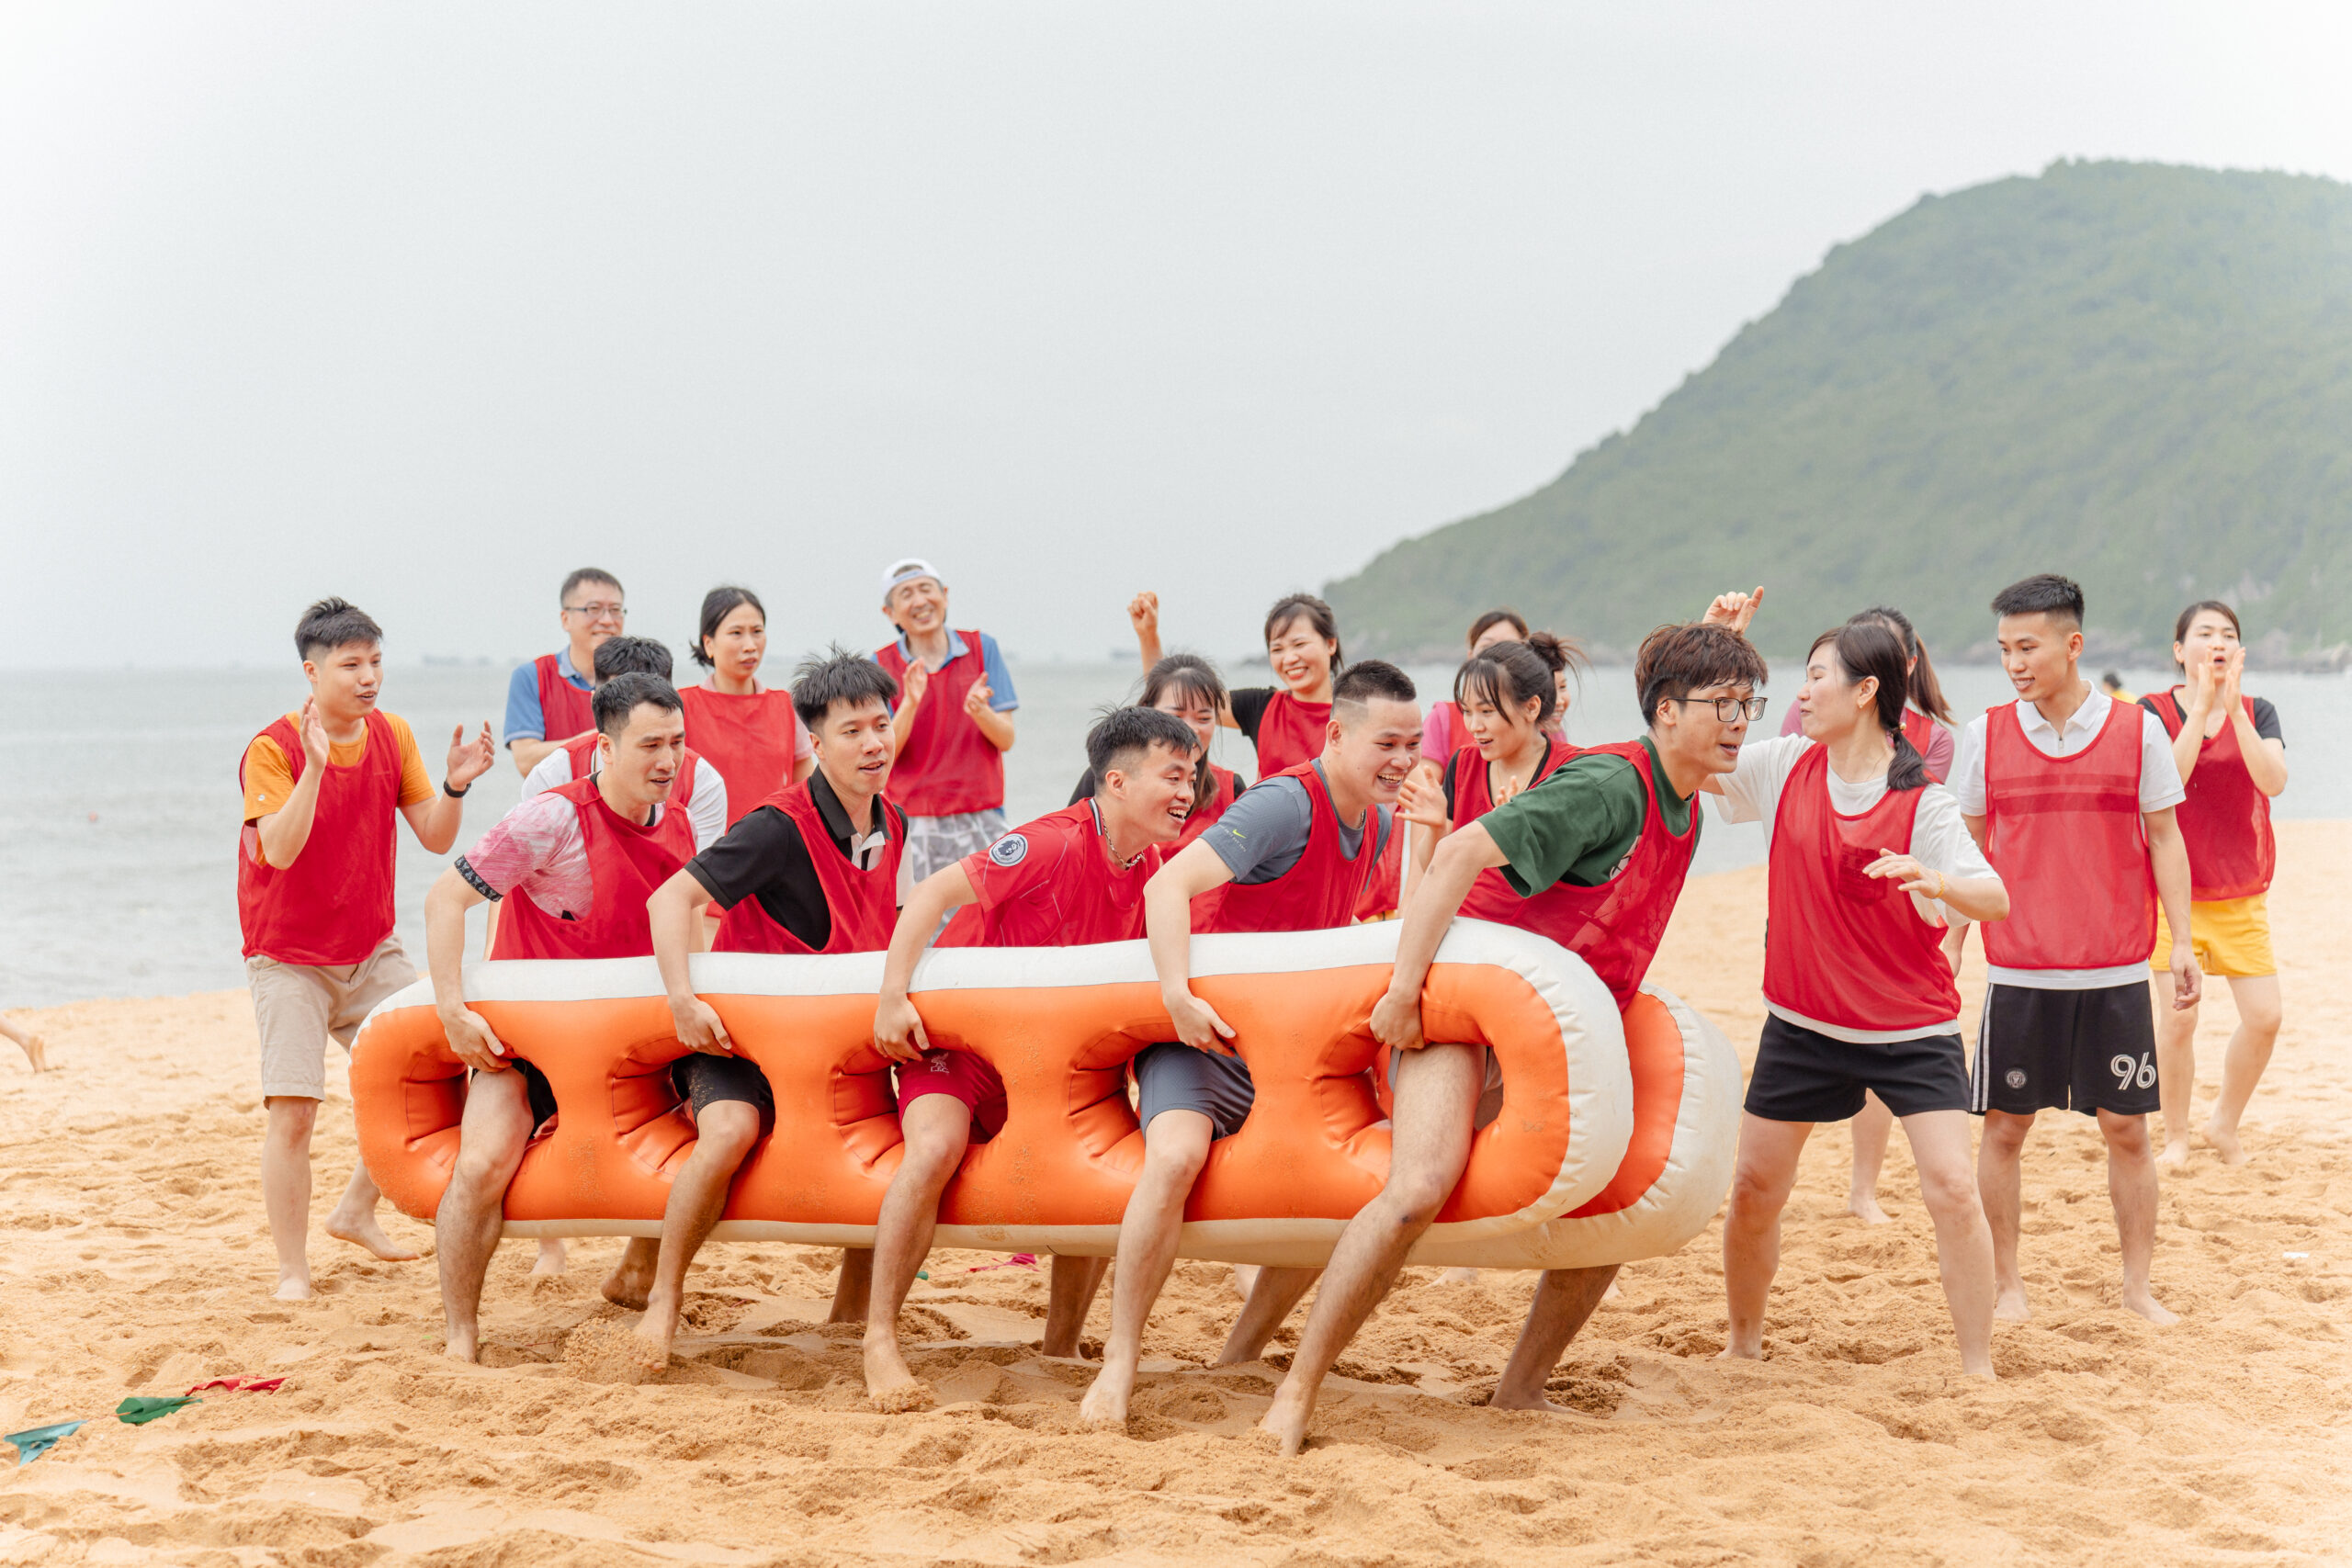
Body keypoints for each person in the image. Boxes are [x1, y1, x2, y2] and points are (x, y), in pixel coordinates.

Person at [1260, 598, 1768, 1455]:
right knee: (1416, 1186)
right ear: (1667, 712)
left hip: (1550, 1024)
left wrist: (1721, 650)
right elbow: (1460, 852)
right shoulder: (1609, 786)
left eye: (1747, 704)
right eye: (1723, 704)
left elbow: (1690, 702)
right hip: (1465, 997)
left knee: (1616, 1196)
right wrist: (1403, 993)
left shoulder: (1684, 794)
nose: (1740, 722)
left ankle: (1520, 1389)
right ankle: (1294, 1392)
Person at [1079, 661, 1419, 1429]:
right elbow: (1165, 887)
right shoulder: (1283, 804)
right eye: (1387, 743)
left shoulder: (1380, 821)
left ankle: (1238, 1354)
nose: (1402, 759)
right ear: (1337, 734)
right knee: (1174, 1158)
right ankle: (1120, 1360)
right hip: (1204, 1041)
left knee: (1338, 1184)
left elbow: (1364, 917)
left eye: (1413, 743)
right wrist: (1177, 995)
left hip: (1286, 1056)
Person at [863, 706, 1201, 1412]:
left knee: (1106, 1163)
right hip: (959, 1047)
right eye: (1172, 775)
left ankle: (1061, 1343)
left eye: (1192, 775)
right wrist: (892, 995)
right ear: (1117, 782)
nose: (1187, 790)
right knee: (934, 1148)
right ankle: (880, 1339)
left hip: (1044, 1068)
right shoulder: (1051, 842)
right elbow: (931, 893)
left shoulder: (1154, 869)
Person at [587, 650, 911, 1371]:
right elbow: (670, 898)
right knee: (729, 1130)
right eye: (852, 731)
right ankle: (664, 1299)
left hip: (835, 1048)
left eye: (881, 725)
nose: (873, 744)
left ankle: (850, 1313)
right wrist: (682, 999)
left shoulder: (894, 820)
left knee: (888, 1144)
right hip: (743, 1046)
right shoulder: (777, 826)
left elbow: (891, 924)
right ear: (815, 744)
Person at [1708, 621, 2007, 1377]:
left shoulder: (1925, 803)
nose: (1803, 693)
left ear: (1867, 690)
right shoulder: (1783, 765)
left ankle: (1978, 1367)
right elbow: (1688, 757)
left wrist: (1937, 881)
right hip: (1802, 1025)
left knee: (1953, 1188)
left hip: (1912, 1030)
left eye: (1817, 676)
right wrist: (1709, 652)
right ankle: (1743, 1342)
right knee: (1753, 1189)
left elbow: (1995, 897)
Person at [423, 673, 695, 1361]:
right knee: (480, 1164)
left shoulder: (683, 823)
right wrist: (453, 1011)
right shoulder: (549, 818)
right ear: (605, 746)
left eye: (677, 743)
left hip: (629, 1052)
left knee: (712, 1134)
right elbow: (445, 899)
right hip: (528, 1047)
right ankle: (461, 1333)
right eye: (650, 745)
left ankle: (639, 1270)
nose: (668, 760)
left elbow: (691, 936)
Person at [1958, 573, 2197, 1327]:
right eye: (2004, 649)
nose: (2014, 663)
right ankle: (2007, 1285)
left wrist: (2183, 942)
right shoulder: (1985, 734)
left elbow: (2165, 837)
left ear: (2073, 645)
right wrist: (1950, 941)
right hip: (2019, 970)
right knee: (2005, 1129)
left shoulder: (2138, 731)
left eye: (2027, 647)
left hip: (2114, 970)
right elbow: (1966, 850)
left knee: (2127, 1130)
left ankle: (2137, 1287)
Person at [239, 598, 495, 1299]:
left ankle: (355, 1207)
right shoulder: (273, 747)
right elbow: (279, 849)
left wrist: (456, 784)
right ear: (312, 672)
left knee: (440, 1070)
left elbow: (436, 836)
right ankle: (293, 1271)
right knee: (295, 1112)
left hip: (372, 950)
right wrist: (315, 769)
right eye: (351, 664)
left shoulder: (394, 733)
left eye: (376, 661)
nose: (368, 677)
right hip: (288, 956)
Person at [515, 634, 725, 1280]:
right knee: (544, 1110)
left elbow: (696, 900)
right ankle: (550, 1243)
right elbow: (516, 887)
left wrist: (689, 989)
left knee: (678, 1106)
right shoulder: (554, 775)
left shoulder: (699, 780)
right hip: (562, 968)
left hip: (650, 966)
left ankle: (640, 1261)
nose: (662, 750)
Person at [1775, 607, 1959, 1224]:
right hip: (1813, 919)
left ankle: (1864, 1188)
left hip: (1887, 923)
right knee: (1770, 1149)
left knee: (1883, 1066)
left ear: (1899, 667)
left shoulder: (1931, 740)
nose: (1806, 690)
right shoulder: (1807, 728)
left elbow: (1921, 836)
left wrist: (1953, 933)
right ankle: (1823, 1187)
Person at [2140, 601, 2287, 1167]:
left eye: (2228, 634)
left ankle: (2223, 1123)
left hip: (2239, 891)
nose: (2218, 642)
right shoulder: (2152, 712)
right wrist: (2201, 709)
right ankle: (2175, 1137)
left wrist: (2234, 712)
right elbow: (2166, 783)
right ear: (2180, 650)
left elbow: (2273, 781)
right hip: (2171, 895)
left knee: (2265, 1018)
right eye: (2205, 633)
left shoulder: (2259, 710)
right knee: (2180, 1020)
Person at [869, 558, 1017, 887]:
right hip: (912, 818)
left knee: (989, 911)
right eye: (906, 594)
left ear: (945, 595)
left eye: (926, 589)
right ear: (890, 613)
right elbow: (882, 753)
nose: (920, 601)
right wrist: (910, 701)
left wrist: (980, 711)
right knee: (919, 914)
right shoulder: (880, 665)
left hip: (982, 812)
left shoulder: (982, 648)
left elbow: (1006, 739)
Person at [1400, 635, 1579, 894]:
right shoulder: (1464, 763)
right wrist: (1436, 827)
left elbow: (1572, 874)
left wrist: (1516, 835)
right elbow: (1433, 869)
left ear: (1531, 707)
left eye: (1486, 711)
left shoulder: (1569, 770)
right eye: (1467, 711)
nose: (1474, 726)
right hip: (1463, 913)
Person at [1128, 591, 1340, 776]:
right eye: (1277, 649)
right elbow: (1171, 696)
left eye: (1299, 644)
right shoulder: (1263, 707)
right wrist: (1148, 635)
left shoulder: (1352, 713)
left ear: (1330, 644)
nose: (1289, 658)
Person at [679, 585, 814, 826]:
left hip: (776, 841)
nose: (750, 645)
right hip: (707, 844)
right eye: (736, 633)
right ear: (709, 643)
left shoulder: (786, 706)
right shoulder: (682, 707)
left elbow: (805, 791)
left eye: (757, 631)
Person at [504, 568, 626, 775]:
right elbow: (526, 760)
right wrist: (604, 737)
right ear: (565, 619)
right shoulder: (532, 677)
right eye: (593, 609)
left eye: (615, 610)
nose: (607, 620)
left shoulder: (641, 676)